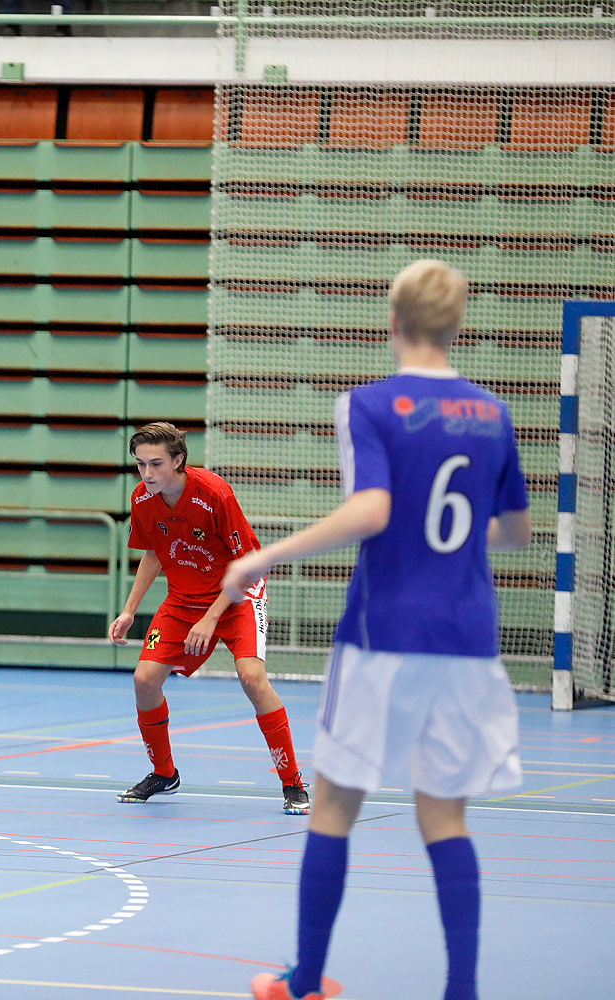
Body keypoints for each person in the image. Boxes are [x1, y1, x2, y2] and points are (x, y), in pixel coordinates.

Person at [222, 260, 531, 1000]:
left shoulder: (367, 404)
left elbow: (373, 512)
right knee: (445, 816)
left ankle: (302, 983)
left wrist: (265, 554)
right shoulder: (493, 412)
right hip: (467, 638)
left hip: (384, 634)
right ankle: (462, 990)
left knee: (334, 807)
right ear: (458, 327)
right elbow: (516, 533)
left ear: (393, 323)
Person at [108, 421, 310, 815]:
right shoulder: (142, 498)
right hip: (184, 600)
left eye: (155, 464)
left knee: (252, 677)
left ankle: (293, 783)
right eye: (140, 465)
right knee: (144, 679)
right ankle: (164, 773)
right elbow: (152, 553)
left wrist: (211, 618)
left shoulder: (214, 493)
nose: (147, 474)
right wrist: (130, 609)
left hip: (237, 595)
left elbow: (248, 563)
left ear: (178, 461)